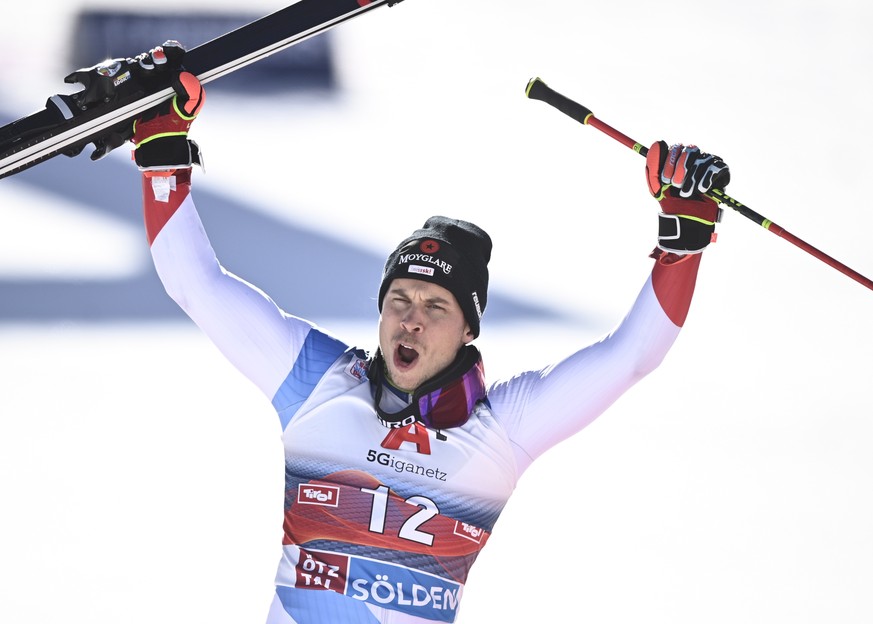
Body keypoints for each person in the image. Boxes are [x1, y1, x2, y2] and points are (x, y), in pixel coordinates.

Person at [127, 43, 729, 623]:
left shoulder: (504, 428)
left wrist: (682, 241)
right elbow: (194, 282)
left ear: (469, 327)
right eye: (398, 300)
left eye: (435, 306)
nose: (410, 318)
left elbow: (632, 356)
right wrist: (162, 147)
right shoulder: (314, 380)